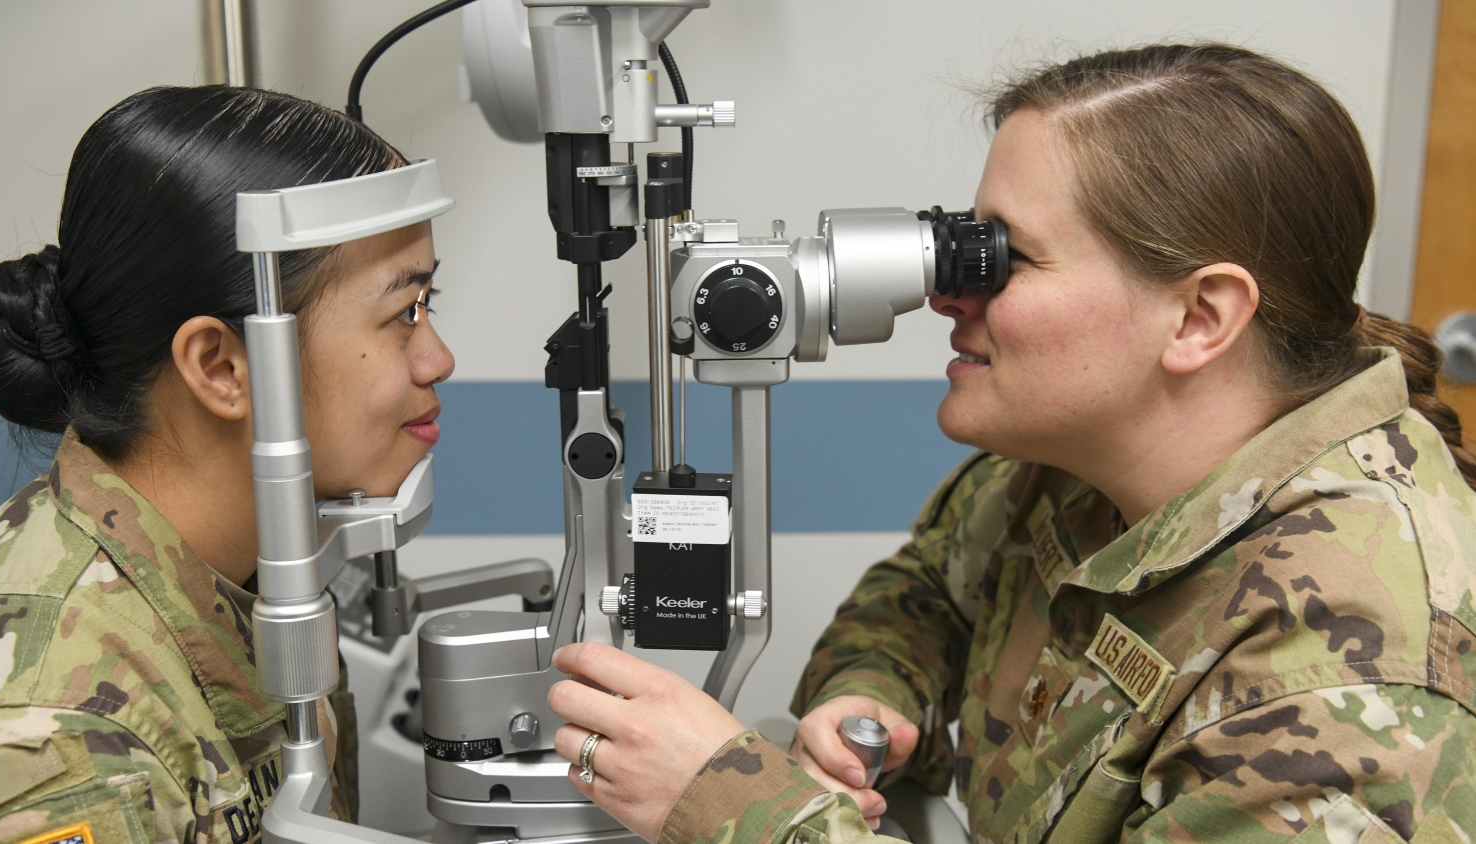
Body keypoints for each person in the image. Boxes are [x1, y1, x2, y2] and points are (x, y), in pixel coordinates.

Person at [543, 43, 1476, 844]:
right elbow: (926, 593)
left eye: (1005, 257)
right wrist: (875, 696)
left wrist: (733, 804)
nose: (949, 294)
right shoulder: (1074, 473)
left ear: (1198, 317)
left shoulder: (1347, 678)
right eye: (962, 246)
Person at [0, 87, 452, 843]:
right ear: (223, 366)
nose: (438, 359)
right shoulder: (61, 736)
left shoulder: (263, 582)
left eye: (430, 304)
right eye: (402, 314)